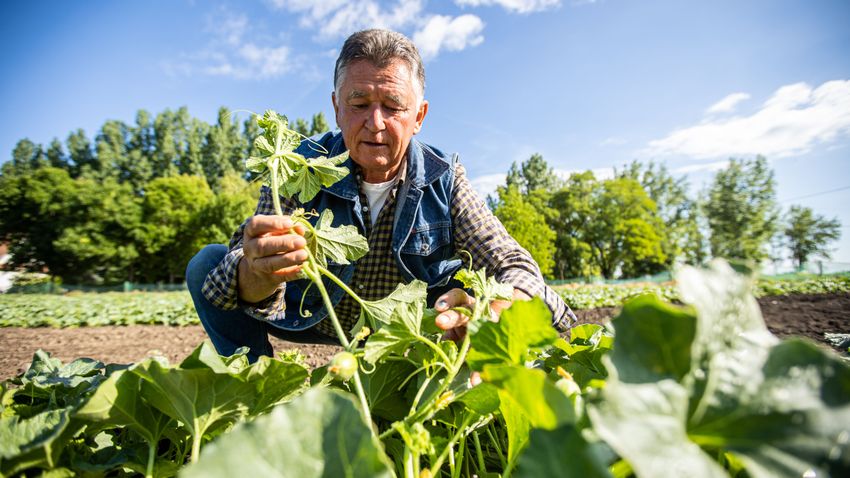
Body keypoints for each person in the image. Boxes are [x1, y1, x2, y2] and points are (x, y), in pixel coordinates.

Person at [186, 29, 575, 361]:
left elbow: (509, 259)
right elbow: (231, 278)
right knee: (208, 264)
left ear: (418, 116)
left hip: (404, 328)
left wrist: (504, 304)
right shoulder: (296, 166)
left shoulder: (443, 176)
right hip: (314, 316)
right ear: (337, 108)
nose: (375, 123)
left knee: (517, 293)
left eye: (392, 107)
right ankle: (252, 388)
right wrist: (257, 273)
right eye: (359, 104)